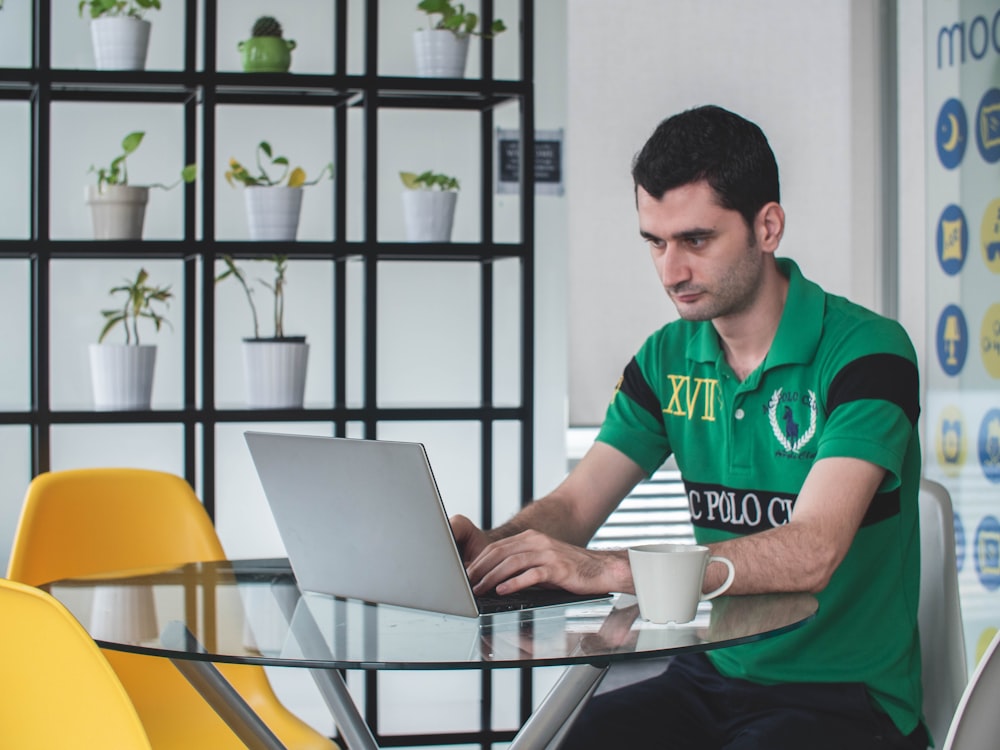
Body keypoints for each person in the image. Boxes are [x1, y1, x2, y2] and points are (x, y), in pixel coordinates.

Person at [450, 105, 926, 749]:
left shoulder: (869, 354)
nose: (671, 270)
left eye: (696, 240)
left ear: (767, 226)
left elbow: (814, 549)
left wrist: (611, 570)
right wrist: (497, 549)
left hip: (844, 696)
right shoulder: (667, 359)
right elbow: (574, 505)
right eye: (655, 241)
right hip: (718, 671)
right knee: (577, 740)